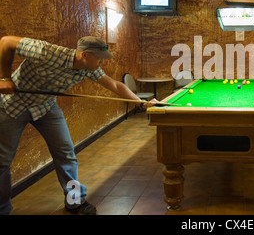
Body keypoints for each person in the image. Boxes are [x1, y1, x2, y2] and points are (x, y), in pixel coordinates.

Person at [0, 36, 157, 215]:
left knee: (66, 154)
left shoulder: (88, 69)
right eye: (98, 58)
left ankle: (74, 201)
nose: (101, 62)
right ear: (84, 55)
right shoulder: (46, 51)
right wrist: (4, 78)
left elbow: (114, 85)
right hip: (12, 106)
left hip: (46, 107)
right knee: (2, 161)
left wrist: (141, 103)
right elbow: (5, 42)